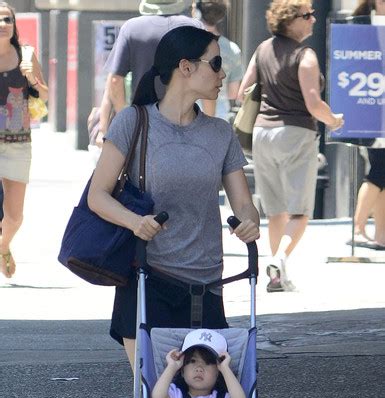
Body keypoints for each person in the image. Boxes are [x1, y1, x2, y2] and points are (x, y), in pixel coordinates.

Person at [88, 25, 260, 364]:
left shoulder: (220, 133)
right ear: (185, 67)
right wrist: (136, 222)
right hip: (147, 278)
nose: (223, 73)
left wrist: (250, 223)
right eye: (215, 63)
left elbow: (243, 203)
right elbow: (98, 195)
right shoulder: (132, 122)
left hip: (207, 283)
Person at [238, 0, 344, 292]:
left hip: (262, 135)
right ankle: (280, 258)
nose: (313, 19)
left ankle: (276, 276)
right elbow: (313, 103)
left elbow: (241, 92)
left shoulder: (262, 50)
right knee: (299, 213)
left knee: (275, 212)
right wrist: (333, 120)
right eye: (306, 15)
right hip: (295, 134)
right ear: (289, 21)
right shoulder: (305, 55)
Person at [94, 0, 203, 148]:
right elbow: (207, 76)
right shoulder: (194, 28)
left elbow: (114, 80)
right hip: (185, 120)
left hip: (143, 122)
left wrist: (126, 119)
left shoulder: (131, 28)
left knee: (142, 168)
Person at [0, 2, 48, 279]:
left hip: (18, 143)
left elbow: (45, 98)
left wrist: (31, 77)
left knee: (15, 216)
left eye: (8, 19)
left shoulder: (26, 54)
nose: (3, 24)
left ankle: (4, 246)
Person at [347, 0, 385, 250]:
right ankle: (358, 228)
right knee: (379, 170)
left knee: (383, 172)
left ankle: (381, 235)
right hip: (371, 108)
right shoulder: (362, 25)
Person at [192, 0, 243, 121]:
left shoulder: (188, 43)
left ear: (198, 11)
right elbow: (233, 93)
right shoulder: (233, 50)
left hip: (190, 114)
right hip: (220, 116)